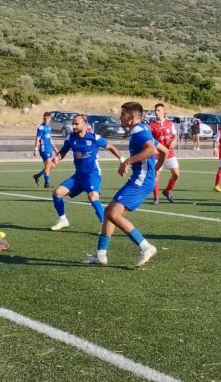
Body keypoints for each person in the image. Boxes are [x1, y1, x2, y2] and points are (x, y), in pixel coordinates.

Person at [88, 102, 159, 268]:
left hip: (140, 181)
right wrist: (154, 170)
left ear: (131, 117)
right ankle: (100, 255)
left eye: (123, 114)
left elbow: (151, 150)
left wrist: (127, 161)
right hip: (142, 179)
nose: (120, 117)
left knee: (113, 214)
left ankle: (146, 247)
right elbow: (162, 149)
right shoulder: (143, 129)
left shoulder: (138, 131)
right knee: (108, 213)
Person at [47, 114, 123, 231]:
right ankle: (63, 220)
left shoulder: (94, 138)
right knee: (57, 193)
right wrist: (57, 158)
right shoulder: (70, 138)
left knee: (93, 197)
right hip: (78, 176)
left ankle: (106, 225)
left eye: (76, 124)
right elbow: (63, 152)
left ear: (85, 124)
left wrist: (122, 160)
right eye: (73, 124)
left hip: (92, 174)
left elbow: (111, 147)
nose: (74, 126)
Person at [149, 104, 181, 203]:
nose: (156, 112)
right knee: (156, 176)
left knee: (176, 175)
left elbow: (175, 136)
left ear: (163, 112)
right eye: (155, 111)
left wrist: (174, 141)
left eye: (158, 110)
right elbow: (149, 139)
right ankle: (156, 197)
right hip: (157, 154)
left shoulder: (169, 123)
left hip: (169, 153)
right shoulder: (151, 125)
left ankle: (167, 191)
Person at [32, 111, 55, 189]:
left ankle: (38, 175)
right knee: (48, 164)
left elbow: (50, 139)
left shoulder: (48, 127)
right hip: (43, 149)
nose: (46, 120)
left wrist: (55, 149)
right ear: (43, 118)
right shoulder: (41, 127)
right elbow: (38, 138)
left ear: (50, 119)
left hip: (49, 149)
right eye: (45, 118)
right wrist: (36, 149)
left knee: (52, 165)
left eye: (48, 118)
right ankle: (47, 183)